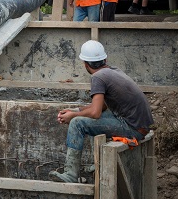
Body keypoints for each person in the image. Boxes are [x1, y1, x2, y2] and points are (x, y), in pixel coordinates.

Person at [49, 40, 153, 183]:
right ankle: (95, 163)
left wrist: (73, 116)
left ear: (85, 64)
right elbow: (101, 107)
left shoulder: (97, 77)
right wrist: (76, 110)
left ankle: (70, 175)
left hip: (133, 128)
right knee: (86, 119)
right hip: (138, 124)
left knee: (77, 123)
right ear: (105, 59)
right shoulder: (113, 71)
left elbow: (95, 113)